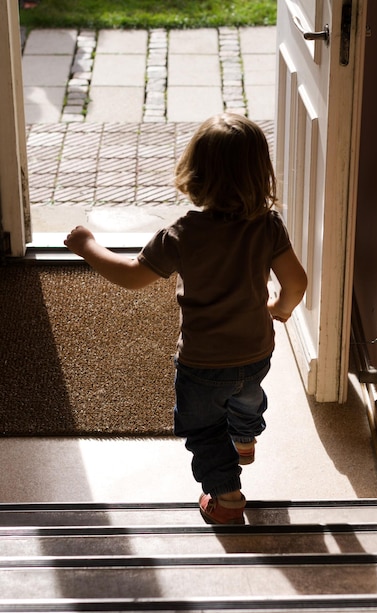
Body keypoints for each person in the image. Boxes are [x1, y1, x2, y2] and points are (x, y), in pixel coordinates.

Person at [64, 113, 307, 525]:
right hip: (255, 350)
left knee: (205, 428)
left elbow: (132, 276)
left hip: (202, 363)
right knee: (246, 393)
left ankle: (227, 497)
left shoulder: (182, 233)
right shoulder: (268, 227)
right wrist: (280, 309)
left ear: (195, 173)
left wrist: (88, 246)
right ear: (259, 172)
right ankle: (245, 438)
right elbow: (296, 283)